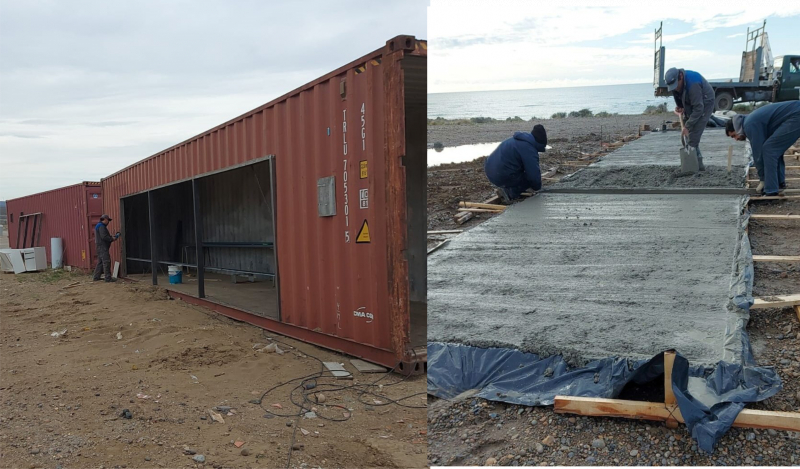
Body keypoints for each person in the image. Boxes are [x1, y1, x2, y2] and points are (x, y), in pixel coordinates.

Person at [726, 101, 800, 196]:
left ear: (736, 129)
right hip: (795, 113)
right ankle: (778, 183)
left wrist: (763, 179)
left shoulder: (749, 125)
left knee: (770, 149)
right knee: (774, 148)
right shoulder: (750, 120)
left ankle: (771, 190)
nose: (736, 139)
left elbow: (758, 153)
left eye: (733, 136)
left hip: (796, 115)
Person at [664, 67, 715, 170]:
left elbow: (699, 109)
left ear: (681, 77)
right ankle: (693, 162)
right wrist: (679, 108)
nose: (675, 89)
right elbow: (678, 98)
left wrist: (687, 126)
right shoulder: (675, 84)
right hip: (691, 102)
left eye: (676, 86)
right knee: (688, 134)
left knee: (694, 135)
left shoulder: (693, 84)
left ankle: (697, 167)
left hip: (705, 103)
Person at [484, 124, 547, 203]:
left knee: (522, 173)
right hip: (501, 175)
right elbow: (533, 175)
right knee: (528, 179)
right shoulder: (529, 148)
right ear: (540, 143)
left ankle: (507, 186)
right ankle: (510, 193)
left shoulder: (519, 140)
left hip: (490, 171)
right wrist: (537, 187)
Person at [93, 214, 120, 282]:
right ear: (104, 219)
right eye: (108, 220)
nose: (108, 222)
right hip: (102, 247)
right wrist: (112, 238)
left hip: (99, 246)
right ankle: (108, 278)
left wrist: (111, 237)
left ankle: (96, 277)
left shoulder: (98, 226)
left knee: (100, 262)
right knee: (106, 261)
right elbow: (104, 237)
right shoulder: (101, 226)